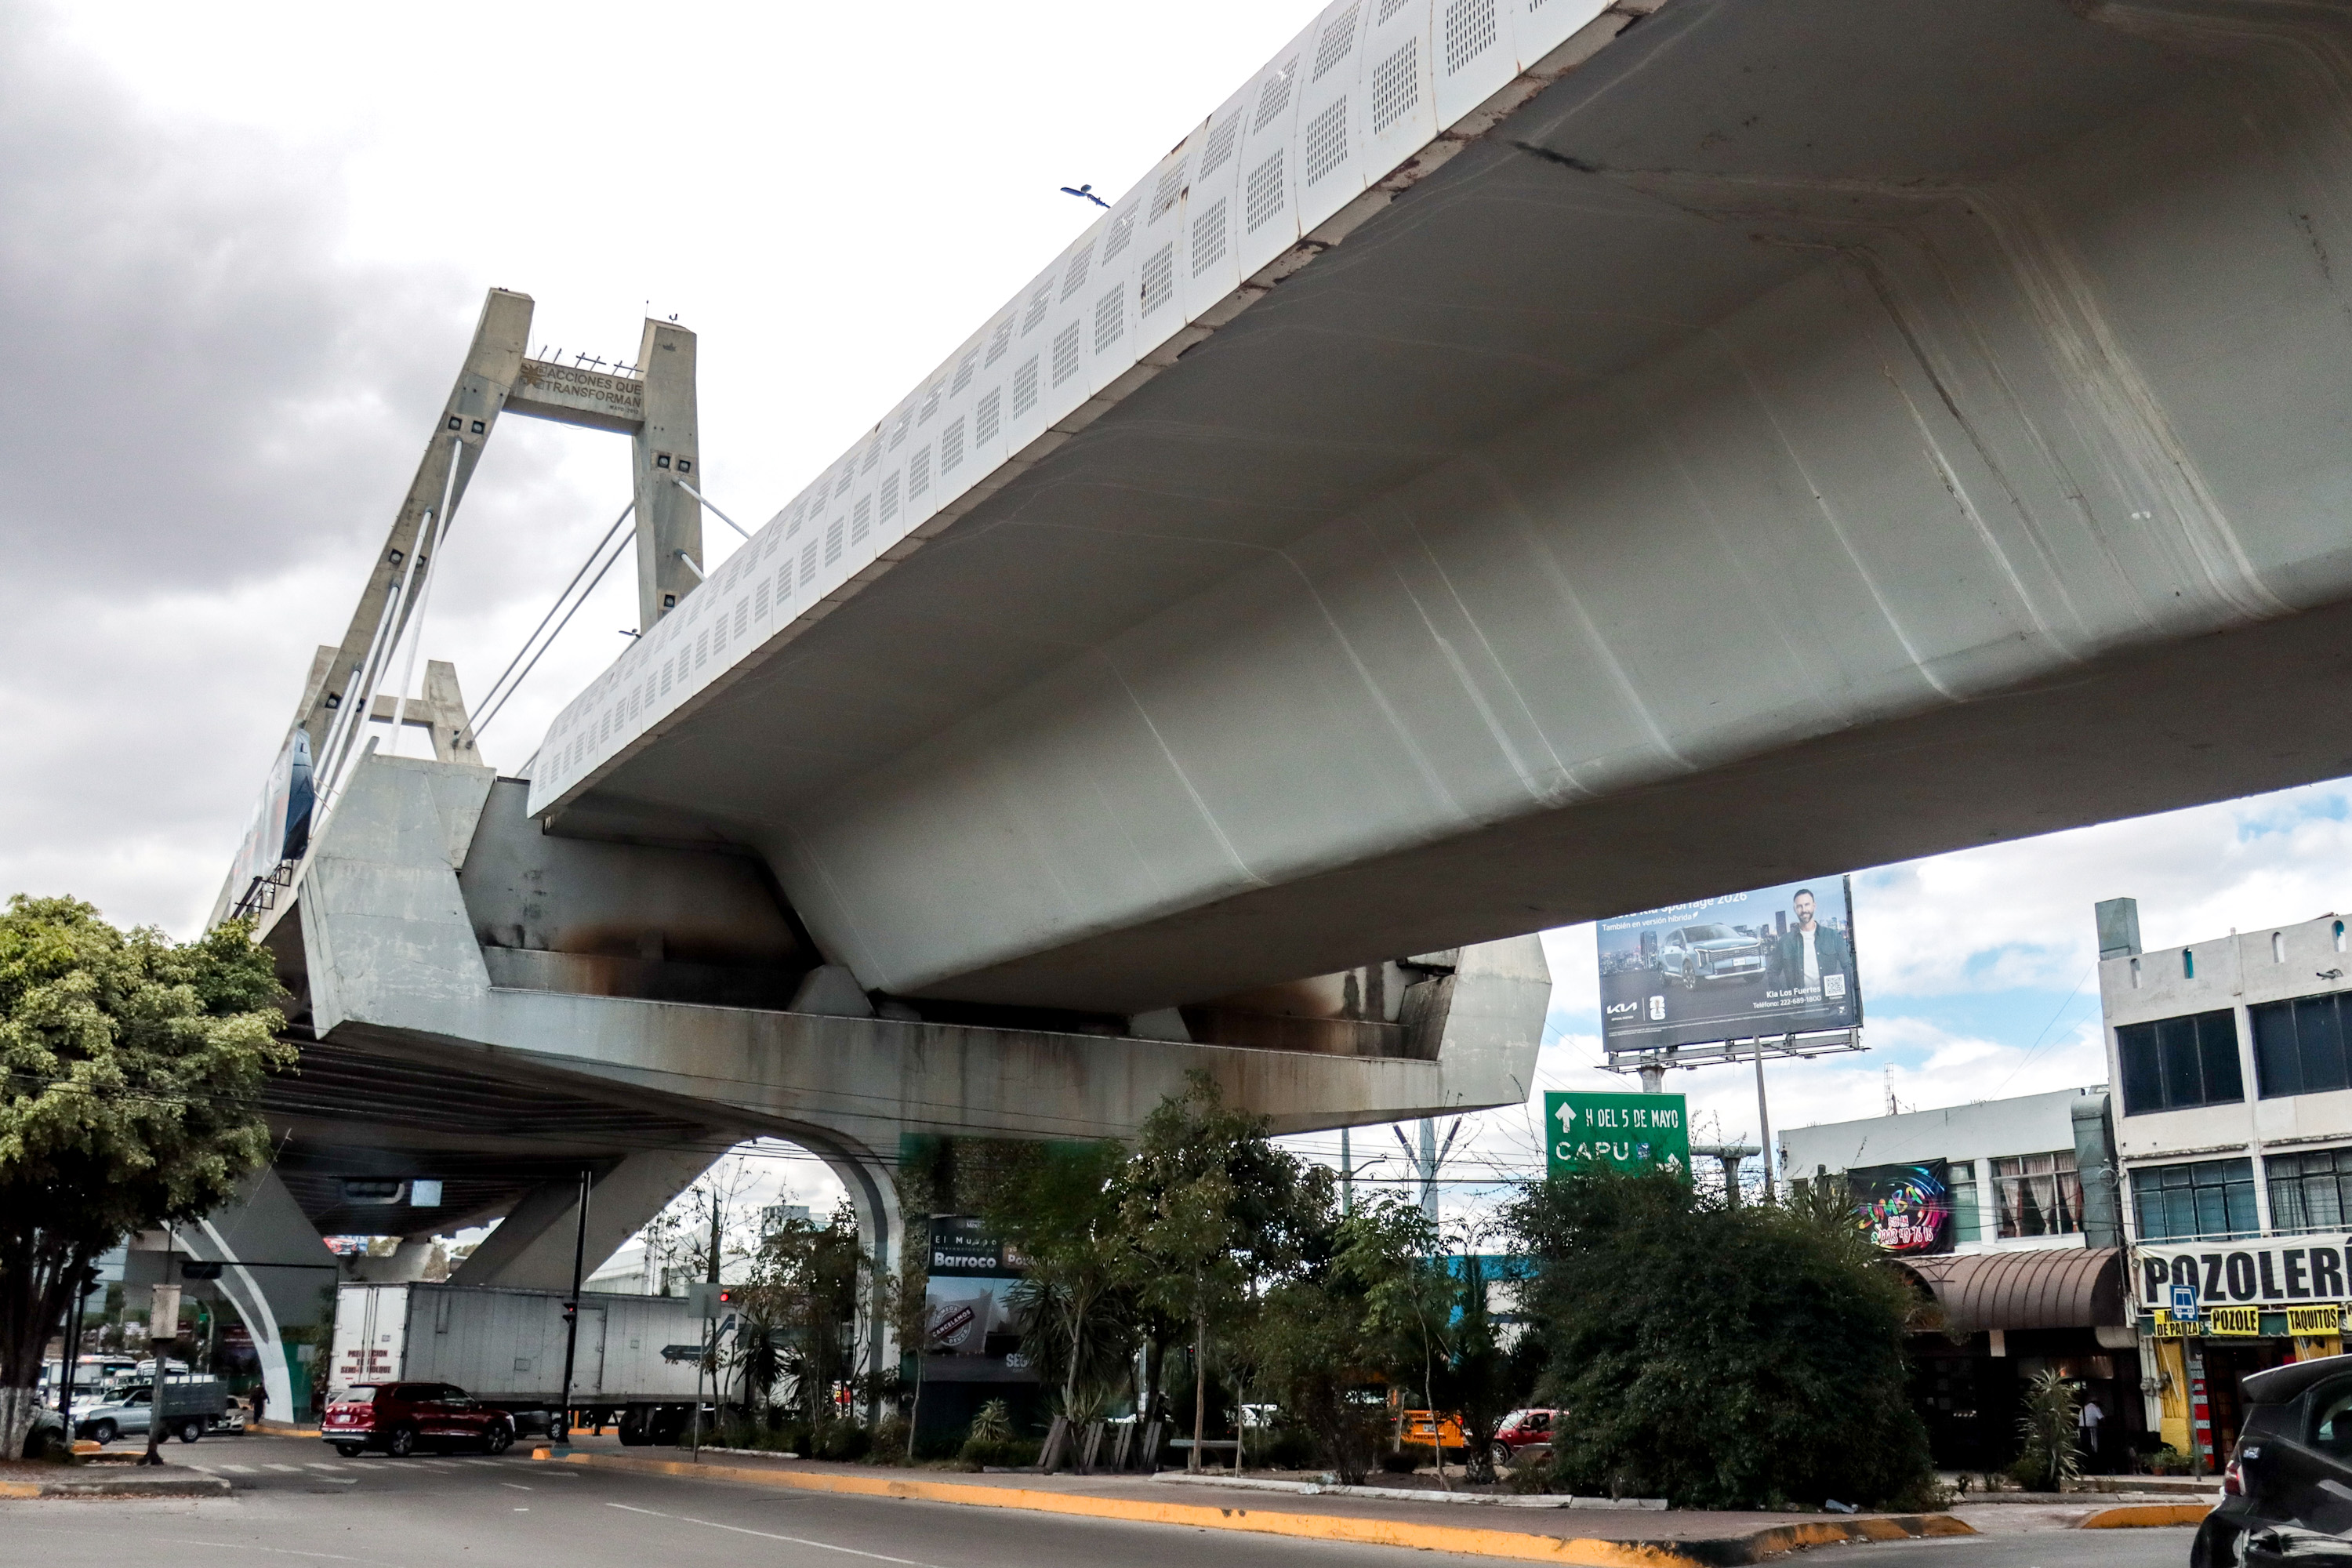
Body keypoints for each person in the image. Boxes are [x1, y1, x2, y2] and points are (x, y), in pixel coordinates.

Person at [1773, 888, 1853, 1001]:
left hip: (1831, 1010)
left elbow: (1848, 967)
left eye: (1807, 905)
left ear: (1814, 906)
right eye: (1799, 906)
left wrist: (1841, 994)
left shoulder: (1832, 936)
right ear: (1794, 909)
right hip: (1797, 1012)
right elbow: (1772, 972)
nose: (1804, 910)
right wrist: (1783, 996)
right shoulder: (1785, 941)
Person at [2078, 1393, 2104, 1472]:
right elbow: (2102, 1418)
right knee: (2094, 1448)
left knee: (2084, 1448)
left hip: (2081, 1430)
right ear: (2096, 1403)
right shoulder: (2095, 1408)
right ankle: (2094, 1465)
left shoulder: (2083, 1408)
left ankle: (2085, 1466)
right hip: (2091, 1430)